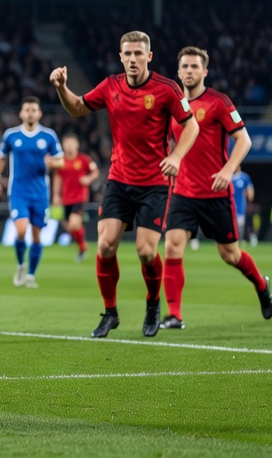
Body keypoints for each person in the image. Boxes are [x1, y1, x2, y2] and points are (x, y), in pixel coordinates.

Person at [51, 30, 196, 338]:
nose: (132, 59)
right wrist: (62, 88)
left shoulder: (166, 89)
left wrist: (178, 156)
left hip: (154, 182)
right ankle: (110, 312)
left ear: (149, 56)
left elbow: (191, 125)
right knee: (104, 246)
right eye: (127, 54)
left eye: (138, 54)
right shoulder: (110, 86)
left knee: (145, 252)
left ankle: (153, 305)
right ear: (121, 57)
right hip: (119, 179)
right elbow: (77, 108)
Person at [158, 47, 272, 330]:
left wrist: (227, 170)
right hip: (183, 191)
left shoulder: (218, 102)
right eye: (184, 66)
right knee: (173, 246)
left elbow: (244, 140)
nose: (189, 71)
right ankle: (174, 315)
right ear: (178, 71)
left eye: (194, 67)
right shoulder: (171, 105)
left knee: (230, 255)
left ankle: (261, 285)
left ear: (205, 72)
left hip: (215, 193)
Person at [0, 96, 62, 288]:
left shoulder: (48, 136)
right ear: (21, 113)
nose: (30, 113)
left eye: (34, 110)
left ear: (39, 113)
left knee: (37, 236)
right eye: (27, 110)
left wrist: (53, 163)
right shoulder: (11, 135)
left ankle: (30, 275)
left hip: (40, 193)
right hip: (18, 191)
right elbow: (1, 157)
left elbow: (61, 160)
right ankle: (21, 264)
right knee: (21, 230)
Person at [55, 133, 100, 262]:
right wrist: (56, 195)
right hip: (65, 199)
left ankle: (82, 246)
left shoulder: (84, 159)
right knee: (70, 227)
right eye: (66, 143)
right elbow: (57, 178)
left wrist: (88, 178)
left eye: (71, 143)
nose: (69, 146)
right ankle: (82, 248)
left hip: (79, 198)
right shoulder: (61, 161)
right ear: (63, 145)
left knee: (74, 224)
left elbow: (95, 171)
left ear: (77, 145)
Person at [231, 164, 256, 246]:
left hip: (240, 207)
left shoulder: (244, 177)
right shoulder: (229, 177)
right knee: (230, 225)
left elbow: (250, 190)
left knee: (240, 225)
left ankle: (239, 241)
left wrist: (250, 198)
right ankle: (230, 241)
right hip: (230, 206)